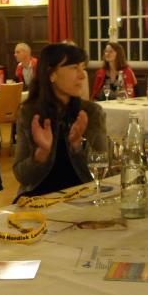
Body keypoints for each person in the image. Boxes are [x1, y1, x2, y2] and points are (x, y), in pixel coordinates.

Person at [13, 43, 107, 199]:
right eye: (74, 68)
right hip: (39, 200)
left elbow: (104, 171)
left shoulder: (92, 113)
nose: (82, 75)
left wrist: (78, 146)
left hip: (85, 198)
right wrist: (42, 153)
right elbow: (23, 177)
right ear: (52, 74)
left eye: (82, 67)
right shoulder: (30, 113)